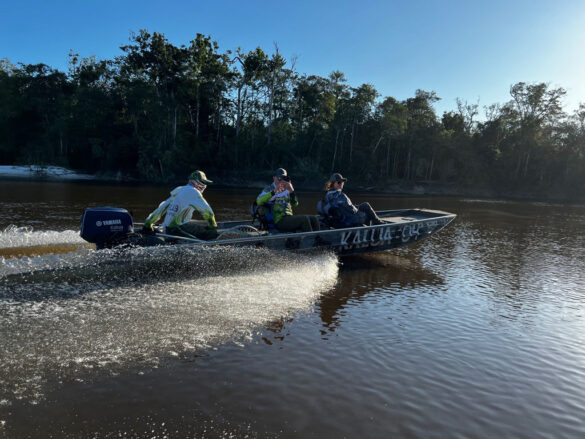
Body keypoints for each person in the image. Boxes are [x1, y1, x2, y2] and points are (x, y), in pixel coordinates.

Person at [143, 170, 218, 240]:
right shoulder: (194, 192)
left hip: (166, 228)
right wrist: (213, 226)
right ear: (198, 183)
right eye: (203, 182)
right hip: (177, 229)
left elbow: (161, 209)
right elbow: (208, 212)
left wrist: (148, 224)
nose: (205, 185)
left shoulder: (179, 190)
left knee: (193, 222)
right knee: (212, 233)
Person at [256, 168, 320, 233]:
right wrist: (274, 191)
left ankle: (318, 238)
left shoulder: (286, 189)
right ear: (274, 178)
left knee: (314, 218)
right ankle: (310, 240)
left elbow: (295, 204)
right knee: (304, 219)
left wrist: (292, 192)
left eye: (284, 178)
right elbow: (259, 201)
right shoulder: (268, 189)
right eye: (279, 178)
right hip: (278, 220)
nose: (282, 180)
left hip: (288, 218)